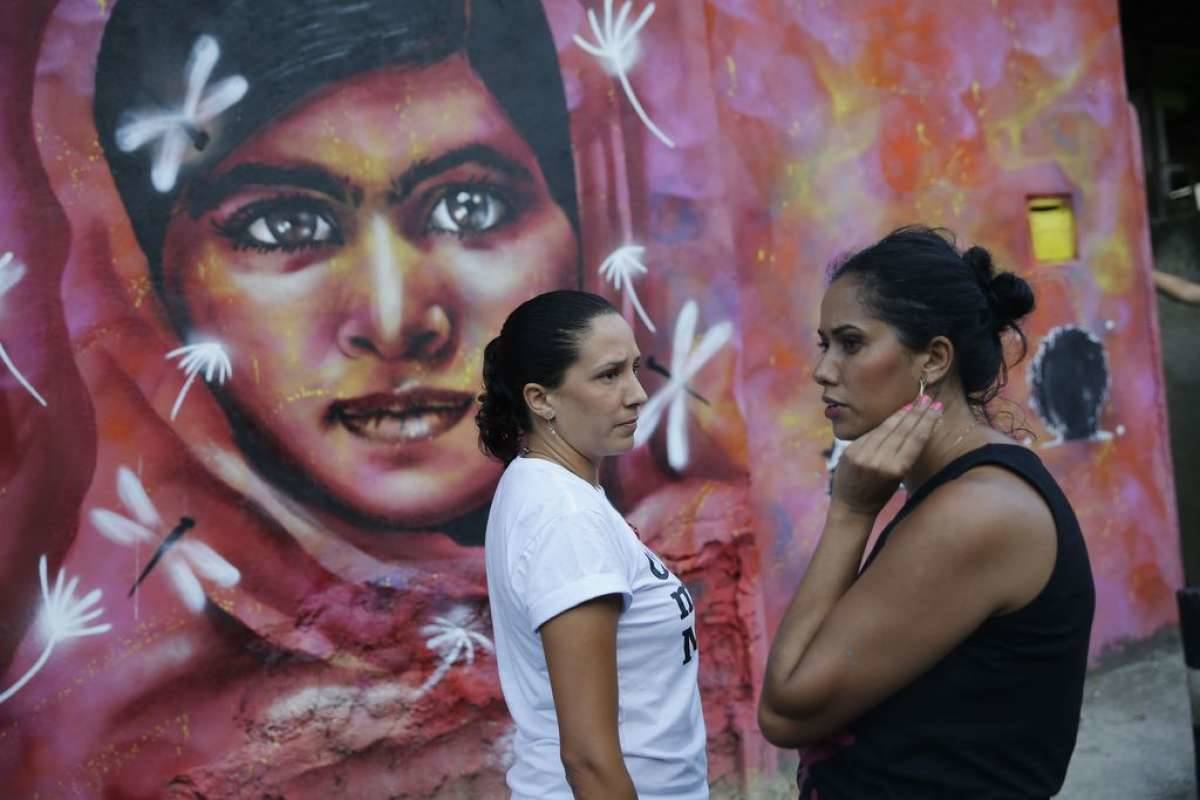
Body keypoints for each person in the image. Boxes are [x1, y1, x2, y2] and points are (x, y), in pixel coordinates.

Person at [2, 1, 585, 796]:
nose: (395, 319)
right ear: (148, 285)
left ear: (583, 213)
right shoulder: (102, 750)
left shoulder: (695, 603)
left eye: (468, 207)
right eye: (283, 227)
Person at [757, 227, 1095, 799]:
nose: (823, 369)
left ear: (935, 358)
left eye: (851, 342)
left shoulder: (977, 511)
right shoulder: (959, 488)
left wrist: (850, 512)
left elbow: (787, 710)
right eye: (824, 343)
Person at [479, 290, 709, 800]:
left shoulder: (552, 491)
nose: (637, 394)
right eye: (609, 375)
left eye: (633, 369)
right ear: (541, 399)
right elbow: (587, 758)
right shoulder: (565, 517)